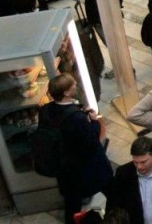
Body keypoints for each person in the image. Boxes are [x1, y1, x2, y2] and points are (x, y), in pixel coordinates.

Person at [37, 74, 112, 224]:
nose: (75, 85)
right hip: (85, 168)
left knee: (72, 205)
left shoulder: (45, 110)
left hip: (64, 169)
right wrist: (94, 122)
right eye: (72, 85)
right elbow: (91, 141)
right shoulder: (76, 117)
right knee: (113, 192)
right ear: (66, 93)